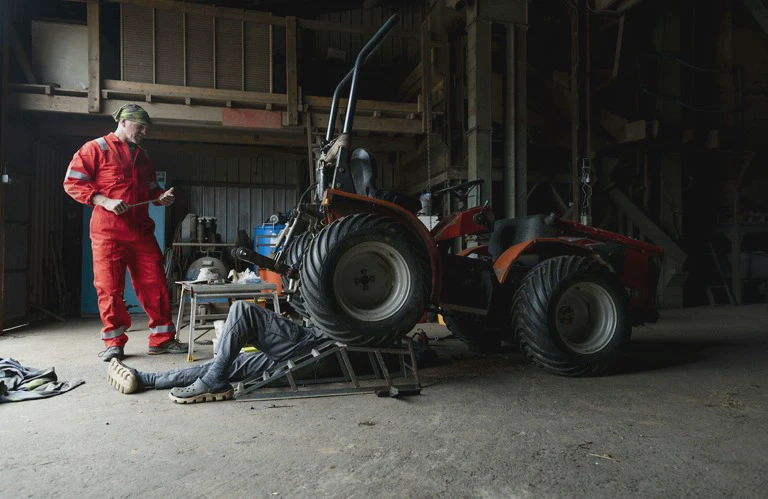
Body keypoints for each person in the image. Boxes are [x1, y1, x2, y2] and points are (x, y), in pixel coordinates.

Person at [64, 103, 185, 362]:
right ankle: (114, 343)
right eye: (139, 126)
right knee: (109, 288)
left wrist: (160, 198)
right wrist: (104, 201)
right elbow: (72, 183)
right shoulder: (95, 149)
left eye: (146, 127)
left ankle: (162, 339)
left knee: (156, 285)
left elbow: (151, 189)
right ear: (123, 122)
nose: (144, 131)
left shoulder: (145, 156)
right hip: (108, 232)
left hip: (141, 231)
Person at [107, 301, 328, 403]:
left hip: (320, 345)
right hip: (320, 350)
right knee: (229, 363)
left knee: (243, 311)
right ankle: (146, 379)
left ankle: (214, 380)